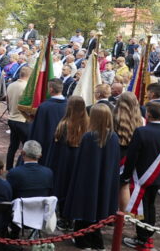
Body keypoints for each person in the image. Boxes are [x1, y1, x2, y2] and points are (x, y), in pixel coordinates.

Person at [64, 104, 120, 250]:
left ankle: (84, 241)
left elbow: (81, 161)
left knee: (85, 210)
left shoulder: (89, 137)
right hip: (104, 180)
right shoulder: (113, 137)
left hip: (87, 180)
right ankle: (94, 241)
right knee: (96, 210)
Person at [122, 102, 160, 250]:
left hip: (141, 177)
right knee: (150, 206)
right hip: (157, 176)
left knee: (143, 207)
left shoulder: (141, 131)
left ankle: (142, 238)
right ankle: (148, 233)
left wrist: (126, 175)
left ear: (149, 115)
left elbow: (132, 157)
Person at [46, 96, 88, 220]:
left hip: (63, 162)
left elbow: (56, 145)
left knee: (62, 188)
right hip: (80, 162)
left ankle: (63, 217)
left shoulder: (64, 124)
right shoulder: (88, 124)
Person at [114, 92, 144, 211]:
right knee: (124, 186)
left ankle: (110, 212)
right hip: (130, 156)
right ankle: (123, 216)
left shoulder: (114, 117)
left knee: (112, 186)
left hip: (116, 154)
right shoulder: (140, 120)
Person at [27, 79, 67, 165]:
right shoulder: (69, 105)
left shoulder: (44, 107)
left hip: (46, 146)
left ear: (51, 89)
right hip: (63, 146)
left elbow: (38, 130)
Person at [6, 67, 31, 169]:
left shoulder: (11, 85)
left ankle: (9, 167)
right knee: (27, 146)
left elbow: (7, 101)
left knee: (13, 146)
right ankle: (23, 167)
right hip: (22, 120)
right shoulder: (27, 87)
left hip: (12, 118)